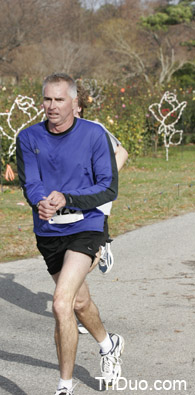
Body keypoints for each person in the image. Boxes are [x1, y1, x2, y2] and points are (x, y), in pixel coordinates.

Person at [16, 73, 124, 395]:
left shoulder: (94, 134)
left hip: (87, 225)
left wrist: (67, 197)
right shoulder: (28, 136)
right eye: (47, 99)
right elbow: (30, 182)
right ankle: (109, 344)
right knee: (78, 301)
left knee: (61, 302)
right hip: (49, 231)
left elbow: (108, 186)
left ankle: (64, 389)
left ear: (75, 103)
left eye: (59, 99)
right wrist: (40, 201)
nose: (52, 106)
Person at [75, 83, 128, 275]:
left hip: (95, 201)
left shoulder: (94, 129)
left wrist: (105, 182)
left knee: (85, 257)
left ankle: (100, 247)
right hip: (68, 203)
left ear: (79, 106)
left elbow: (121, 152)